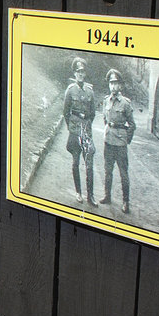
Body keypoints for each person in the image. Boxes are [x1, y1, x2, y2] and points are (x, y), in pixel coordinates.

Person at [62, 57, 98, 206]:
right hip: (75, 130)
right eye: (78, 72)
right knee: (75, 162)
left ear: (85, 74)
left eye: (83, 72)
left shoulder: (90, 92)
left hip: (86, 132)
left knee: (89, 164)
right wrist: (71, 127)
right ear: (75, 73)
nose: (81, 75)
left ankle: (91, 196)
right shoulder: (70, 91)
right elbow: (65, 112)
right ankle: (78, 192)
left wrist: (87, 126)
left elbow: (93, 113)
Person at [100, 68, 136, 214]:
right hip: (108, 142)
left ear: (120, 86)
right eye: (111, 83)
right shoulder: (105, 101)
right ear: (109, 85)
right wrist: (109, 131)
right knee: (108, 171)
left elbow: (132, 125)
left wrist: (126, 139)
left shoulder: (125, 103)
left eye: (116, 83)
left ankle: (126, 202)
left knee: (123, 173)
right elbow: (105, 119)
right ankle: (107, 196)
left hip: (120, 144)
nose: (113, 86)